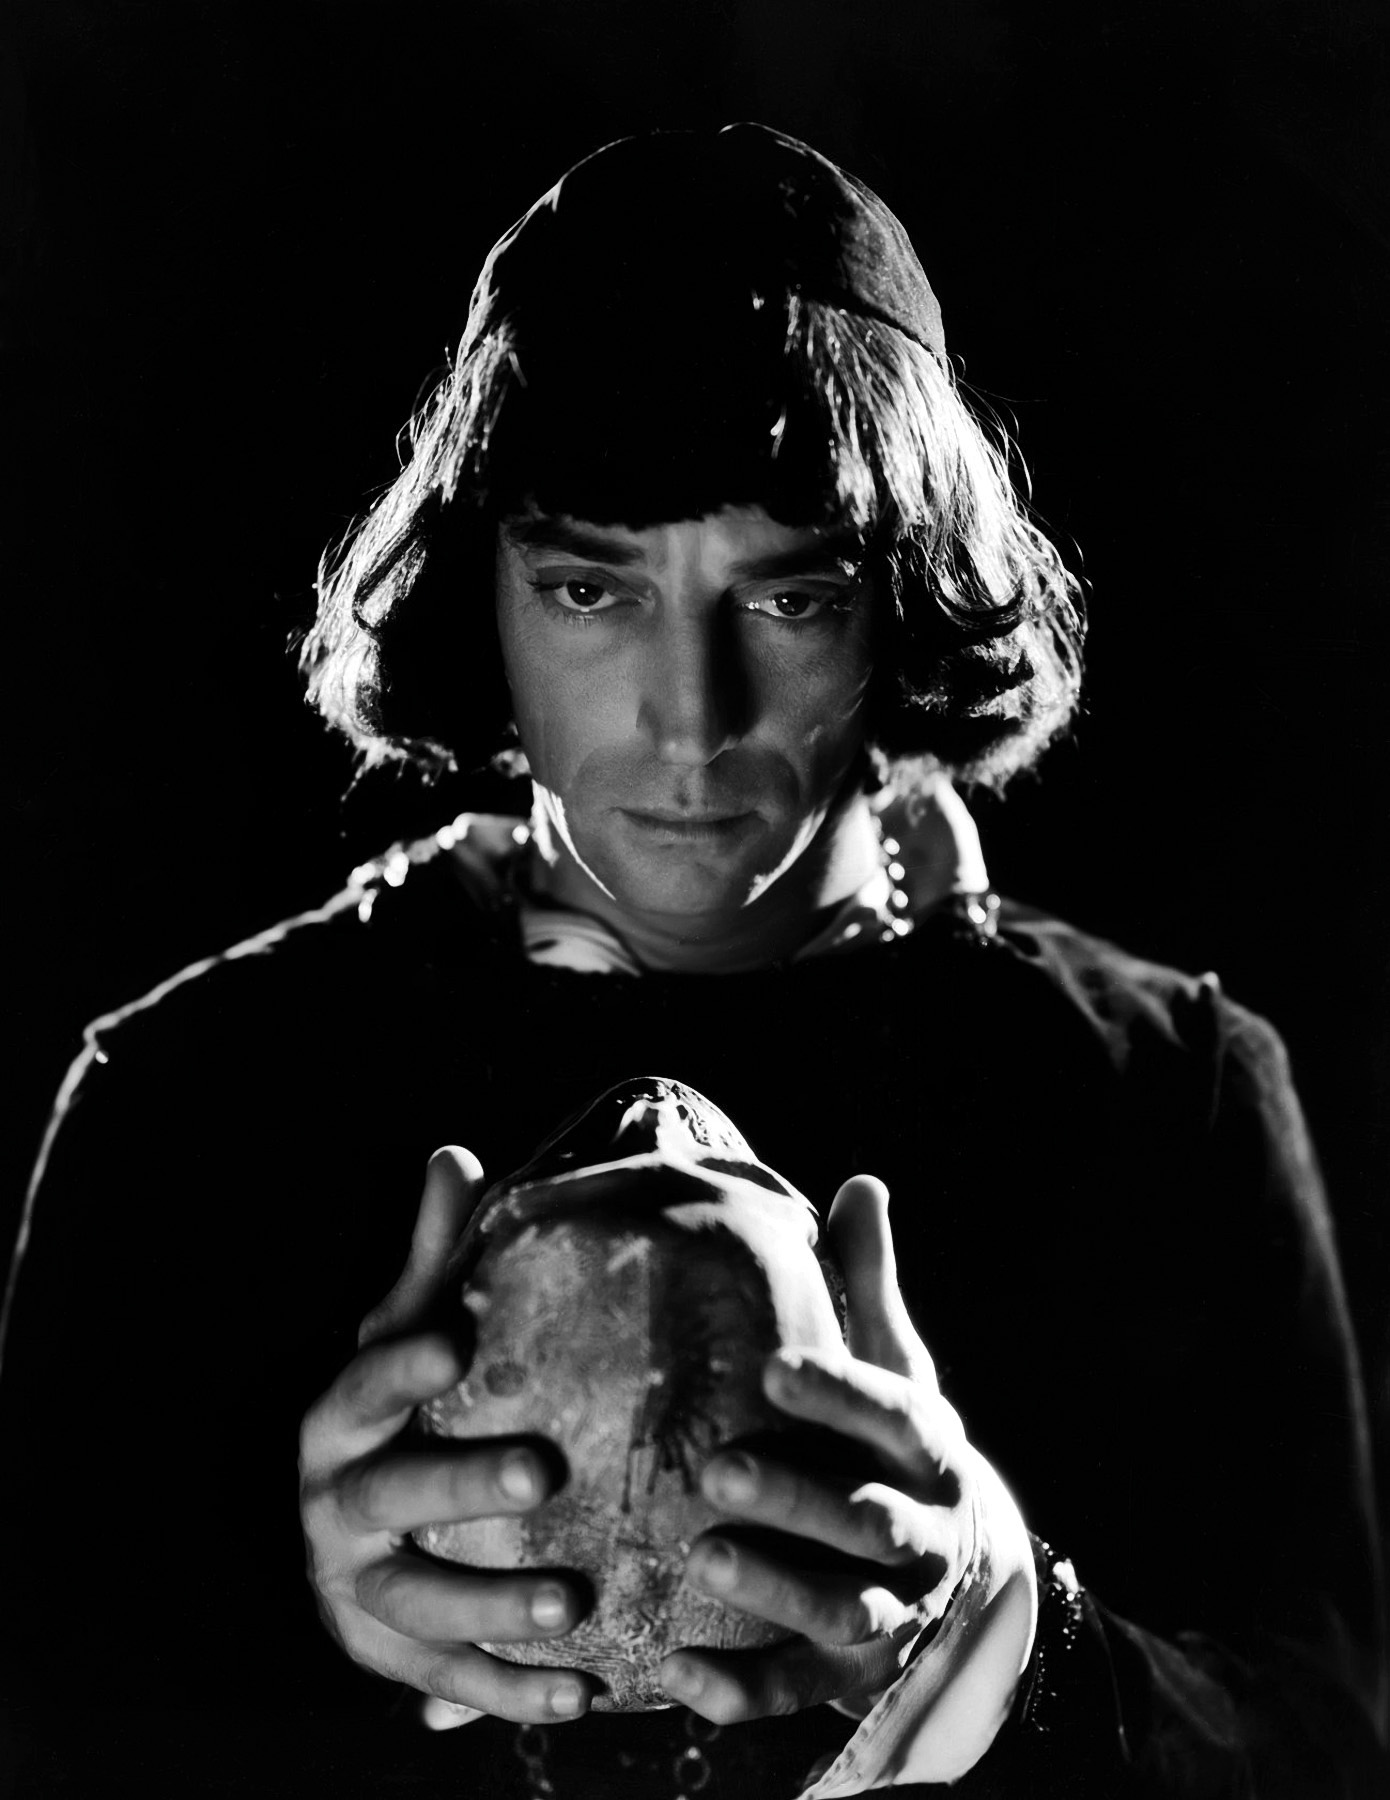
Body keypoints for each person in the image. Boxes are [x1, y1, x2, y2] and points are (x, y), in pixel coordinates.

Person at [1, 124, 1383, 1798]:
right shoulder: (188, 1108)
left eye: (789, 598)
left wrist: (1001, 1640)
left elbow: (1329, 1747)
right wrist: (296, 1630)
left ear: (902, 600)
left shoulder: (1170, 1096)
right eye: (590, 589)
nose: (692, 716)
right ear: (476, 594)